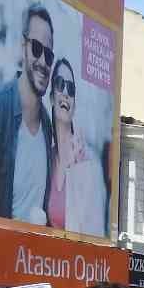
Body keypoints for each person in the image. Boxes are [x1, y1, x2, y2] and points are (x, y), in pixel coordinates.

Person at [0, 2, 54, 221]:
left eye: (48, 55)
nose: (43, 61)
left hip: (33, 253)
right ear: (23, 47)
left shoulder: (47, 126)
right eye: (37, 49)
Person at [45, 58, 107, 235]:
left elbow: (94, 231)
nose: (65, 92)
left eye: (71, 89)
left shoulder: (88, 162)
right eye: (59, 84)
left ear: (74, 105)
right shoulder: (46, 158)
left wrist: (76, 173)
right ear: (51, 97)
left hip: (77, 260)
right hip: (45, 260)